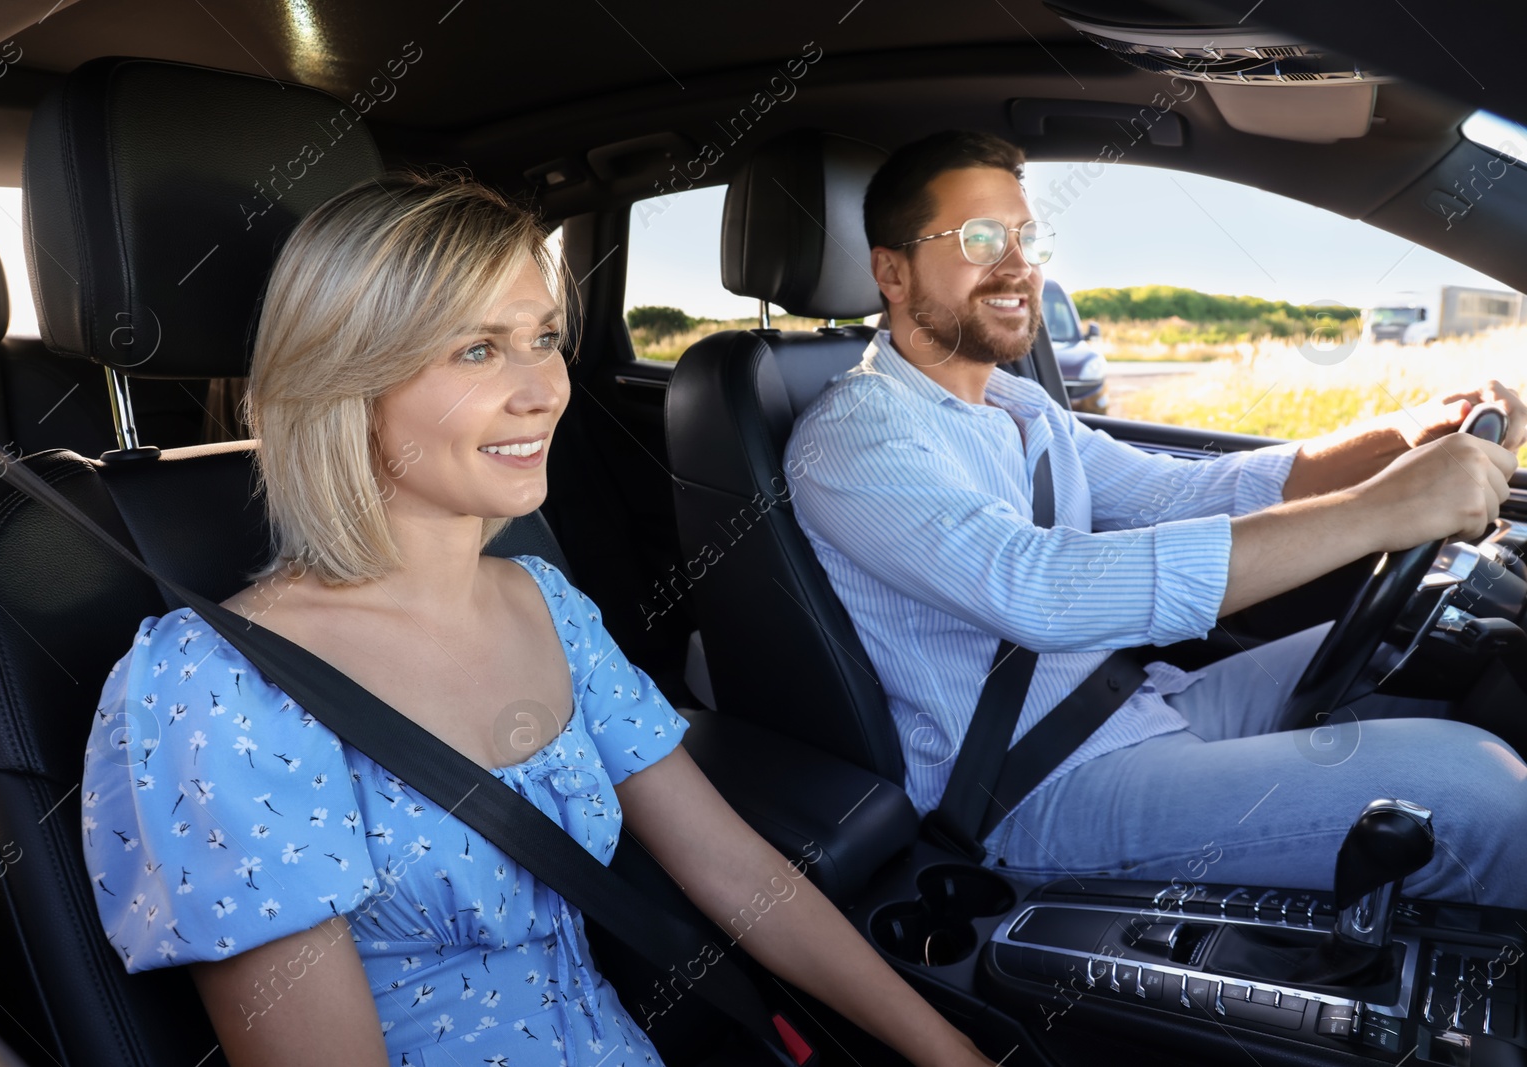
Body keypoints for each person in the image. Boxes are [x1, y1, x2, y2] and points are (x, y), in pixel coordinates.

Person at [81, 174, 1000, 1067]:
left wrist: (948, 1050)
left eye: (544, 337)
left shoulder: (543, 600)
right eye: (477, 349)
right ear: (346, 384)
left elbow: (737, 871)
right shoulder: (217, 684)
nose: (543, 389)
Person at [784, 129, 1527, 906]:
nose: (1018, 264)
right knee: (1477, 791)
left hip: (1132, 707)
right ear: (891, 272)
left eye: (1029, 237)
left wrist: (1405, 435)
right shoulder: (855, 436)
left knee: (1423, 642)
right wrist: (1380, 510)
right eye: (979, 238)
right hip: (1032, 787)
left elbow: (1180, 494)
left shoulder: (1018, 403)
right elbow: (1041, 591)